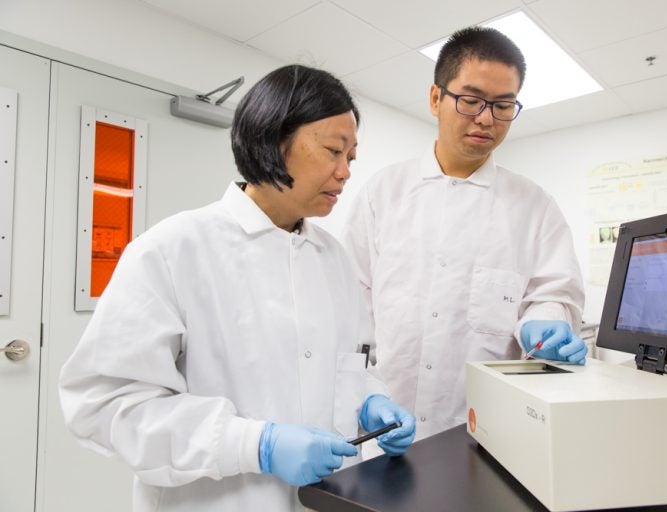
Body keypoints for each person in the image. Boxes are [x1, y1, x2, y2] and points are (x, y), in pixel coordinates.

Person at [59, 64, 416, 512]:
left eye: (351, 158)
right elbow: (106, 407)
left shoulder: (335, 259)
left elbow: (351, 365)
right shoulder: (172, 251)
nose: (345, 172)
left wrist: (371, 399)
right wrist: (255, 444)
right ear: (271, 140)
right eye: (332, 151)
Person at [342, 27, 587, 442]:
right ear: (436, 98)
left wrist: (545, 324)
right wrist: (362, 396)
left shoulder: (534, 207)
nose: (486, 119)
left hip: (488, 435)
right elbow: (350, 306)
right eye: (471, 101)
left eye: (503, 105)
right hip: (384, 430)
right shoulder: (382, 194)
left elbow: (553, 295)